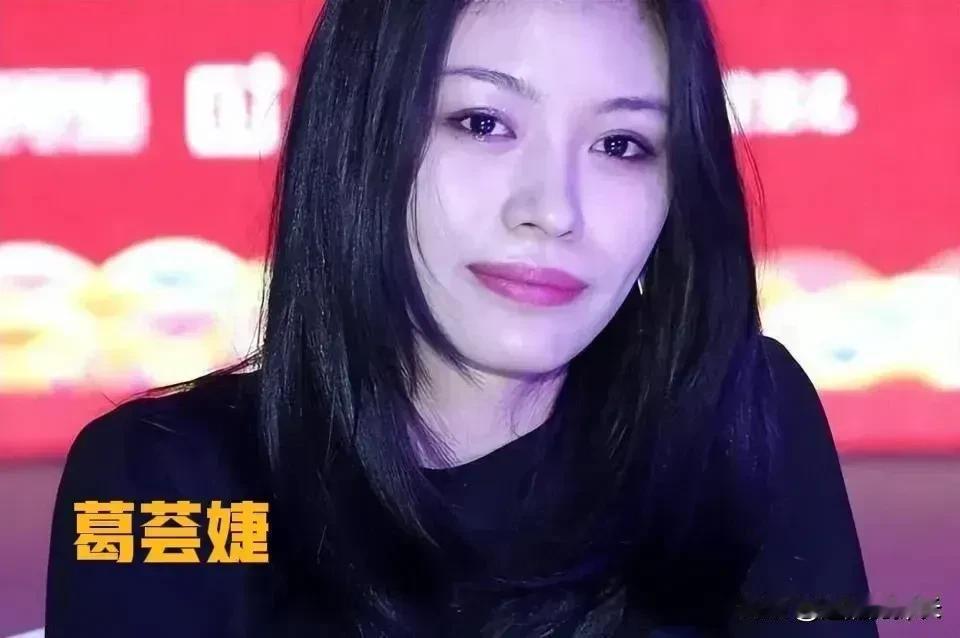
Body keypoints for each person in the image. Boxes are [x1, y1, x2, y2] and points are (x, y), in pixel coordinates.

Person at [45, 0, 879, 636]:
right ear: (359, 137)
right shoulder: (165, 486)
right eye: (482, 124)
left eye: (623, 145)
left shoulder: (740, 421)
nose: (553, 210)